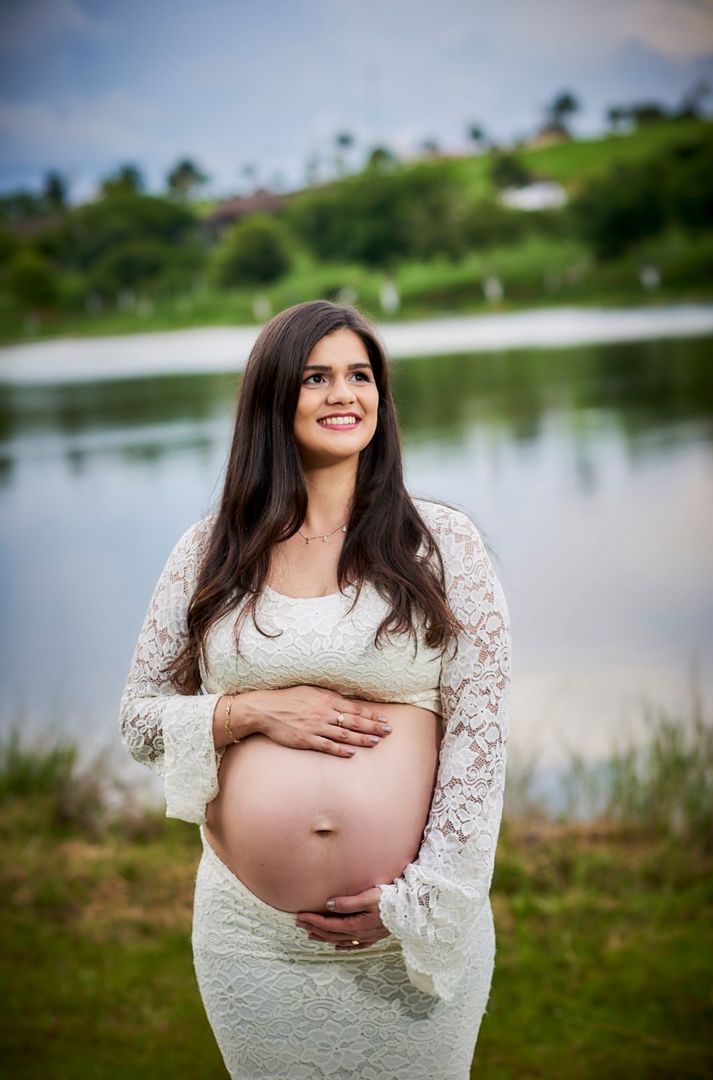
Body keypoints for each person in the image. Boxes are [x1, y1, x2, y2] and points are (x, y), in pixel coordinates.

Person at [119, 299, 512, 1080]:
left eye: (360, 375)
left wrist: (424, 902)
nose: (344, 394)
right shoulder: (210, 551)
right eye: (316, 377)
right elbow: (138, 720)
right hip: (252, 941)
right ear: (273, 399)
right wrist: (245, 711)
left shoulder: (439, 545)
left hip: (409, 934)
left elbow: (480, 735)